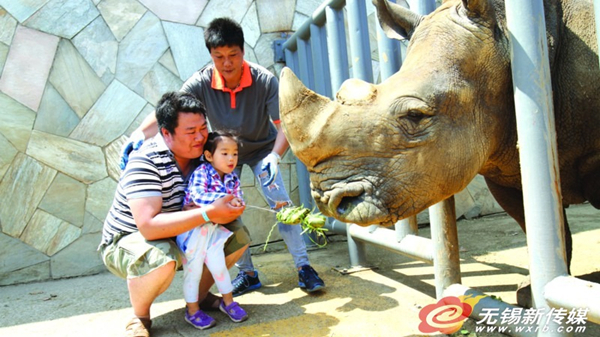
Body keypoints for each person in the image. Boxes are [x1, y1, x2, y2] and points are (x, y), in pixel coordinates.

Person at [121, 17, 325, 298]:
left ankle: (304, 268)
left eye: (233, 55)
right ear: (211, 55)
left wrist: (275, 157)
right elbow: (168, 113)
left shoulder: (264, 80)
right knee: (225, 210)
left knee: (283, 206)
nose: (226, 63)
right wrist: (137, 135)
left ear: (243, 52)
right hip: (223, 154)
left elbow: (285, 125)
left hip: (263, 150)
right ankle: (248, 274)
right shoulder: (201, 81)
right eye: (219, 57)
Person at [100, 92, 250, 337]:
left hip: (181, 230)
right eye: (191, 132)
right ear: (166, 133)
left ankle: (198, 299)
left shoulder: (204, 156)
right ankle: (140, 317)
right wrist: (208, 212)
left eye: (203, 128)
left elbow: (222, 194)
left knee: (237, 235)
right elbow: (148, 226)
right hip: (129, 239)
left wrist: (230, 207)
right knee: (162, 257)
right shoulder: (145, 161)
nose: (201, 137)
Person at [177, 130, 248, 329]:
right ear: (209, 156)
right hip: (194, 232)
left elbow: (239, 199)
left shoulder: (232, 177)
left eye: (234, 153)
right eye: (224, 153)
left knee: (220, 268)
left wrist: (236, 204)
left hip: (213, 231)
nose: (231, 158)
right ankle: (191, 311)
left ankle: (228, 303)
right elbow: (198, 196)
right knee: (194, 270)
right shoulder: (202, 173)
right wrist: (225, 201)